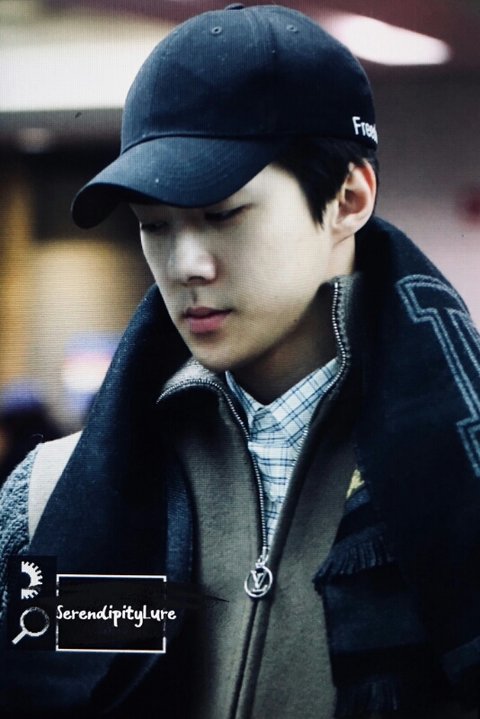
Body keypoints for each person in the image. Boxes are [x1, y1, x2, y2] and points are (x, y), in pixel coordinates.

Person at [1, 4, 480, 718]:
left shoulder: (461, 470)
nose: (184, 264)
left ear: (349, 198)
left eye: (223, 215)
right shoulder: (49, 496)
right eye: (154, 225)